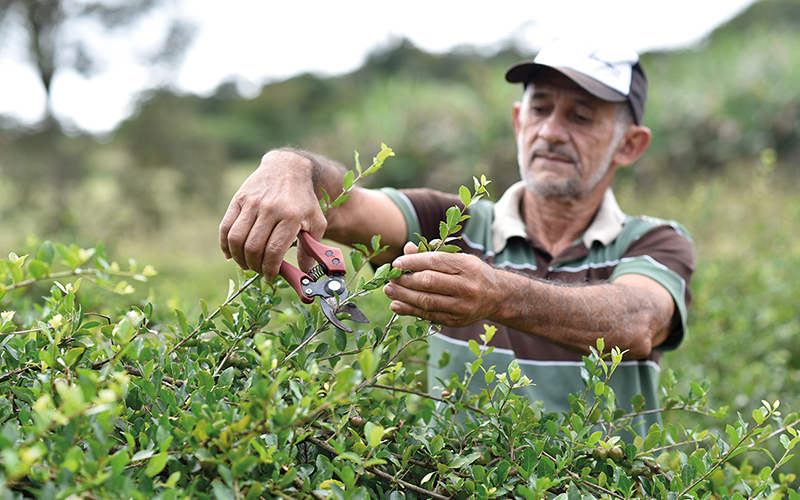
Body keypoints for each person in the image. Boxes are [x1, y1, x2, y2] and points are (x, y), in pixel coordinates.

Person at [218, 39, 695, 430]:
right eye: (541, 108)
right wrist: (291, 167)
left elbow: (637, 321)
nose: (550, 131)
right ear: (517, 121)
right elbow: (344, 208)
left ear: (629, 145)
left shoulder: (654, 243)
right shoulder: (451, 224)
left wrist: (498, 296)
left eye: (581, 117)